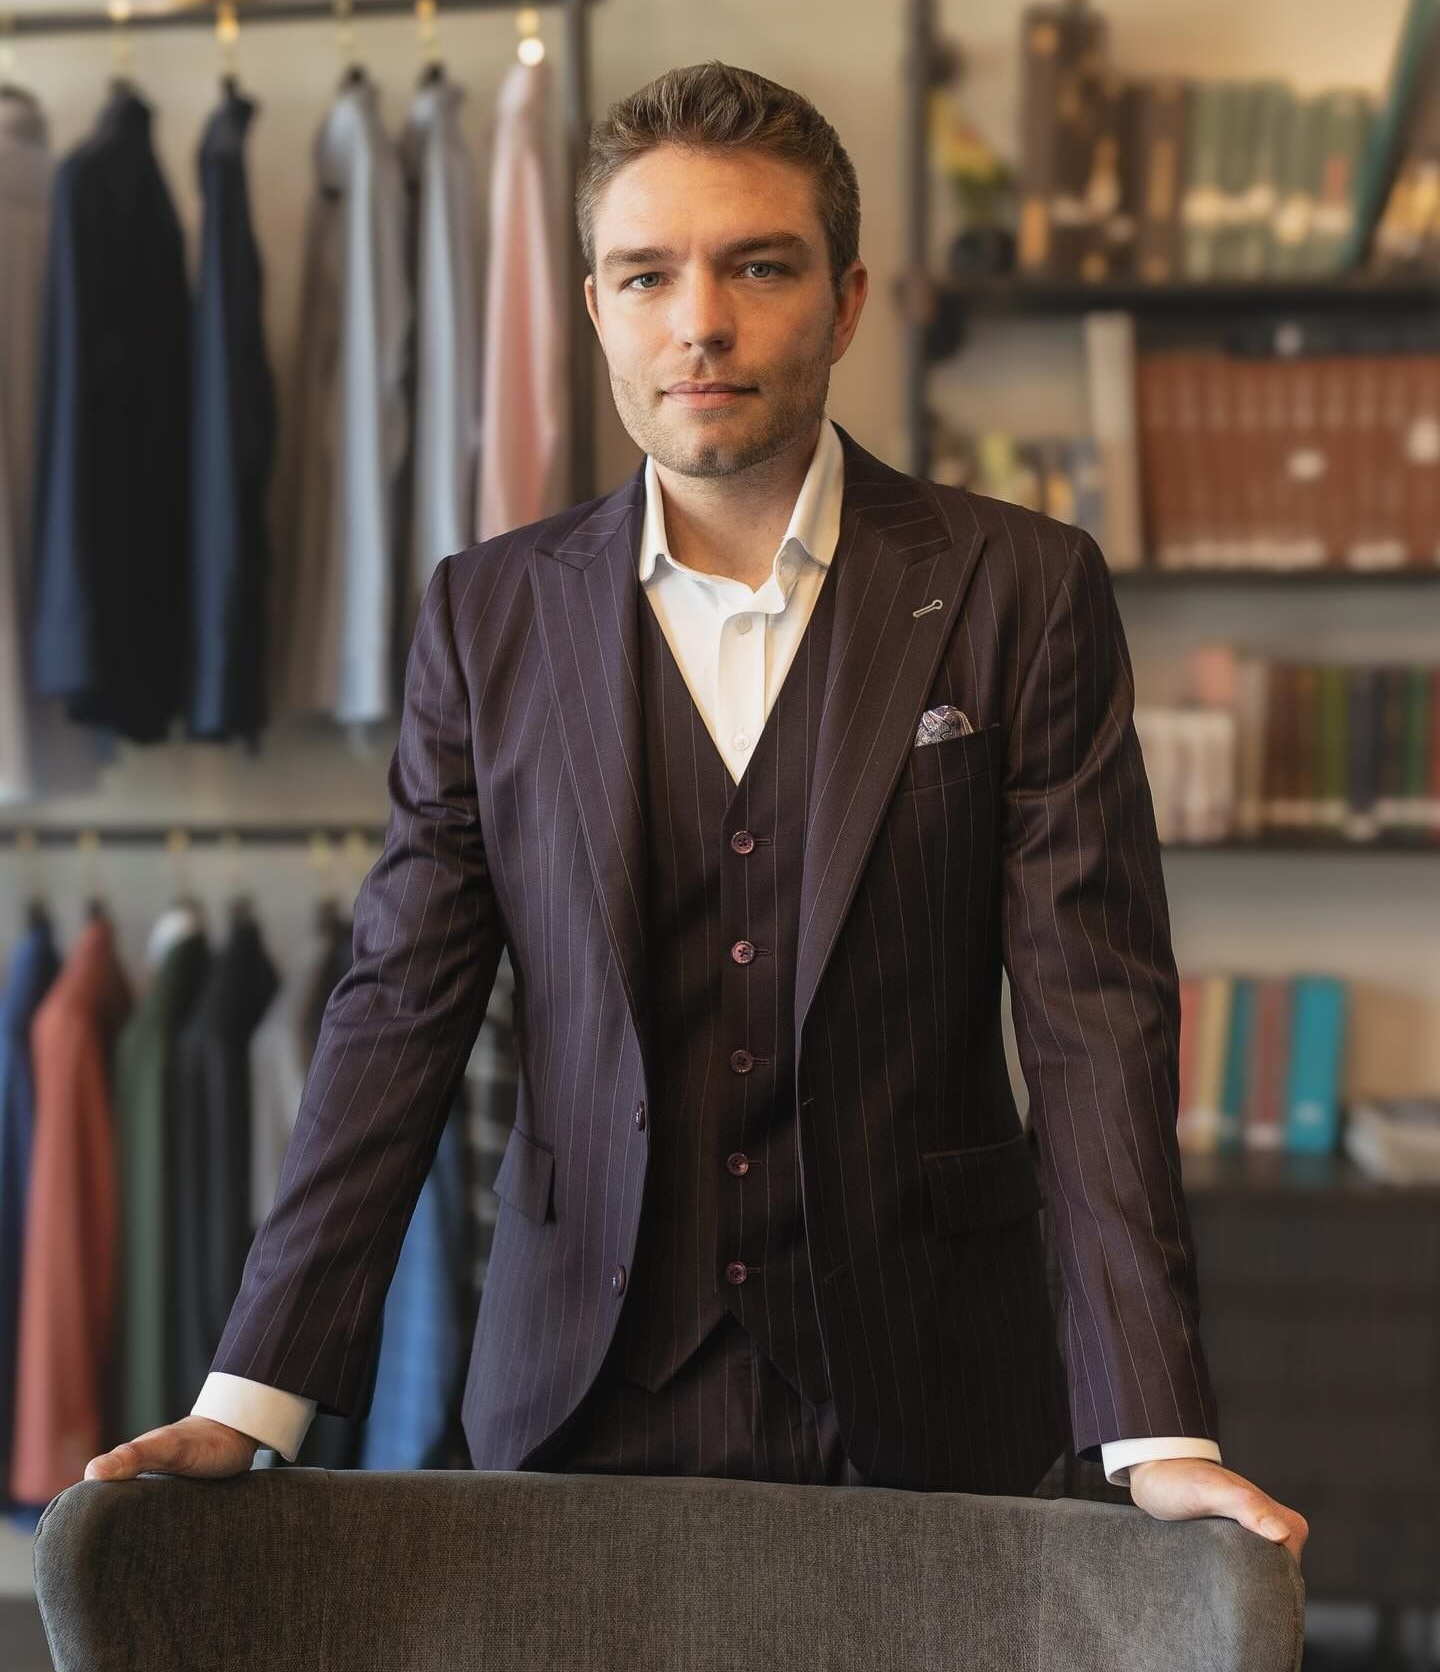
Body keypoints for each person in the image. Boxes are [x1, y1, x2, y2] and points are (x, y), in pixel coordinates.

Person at [86, 60, 1306, 1565]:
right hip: (575, 1400)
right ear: (593, 306)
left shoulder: (1021, 589)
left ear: (846, 302)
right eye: (647, 273)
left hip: (931, 1400)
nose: (701, 322)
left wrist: (1158, 1427)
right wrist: (254, 1391)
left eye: (757, 267)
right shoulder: (487, 618)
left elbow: (1093, 1014)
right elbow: (398, 1003)